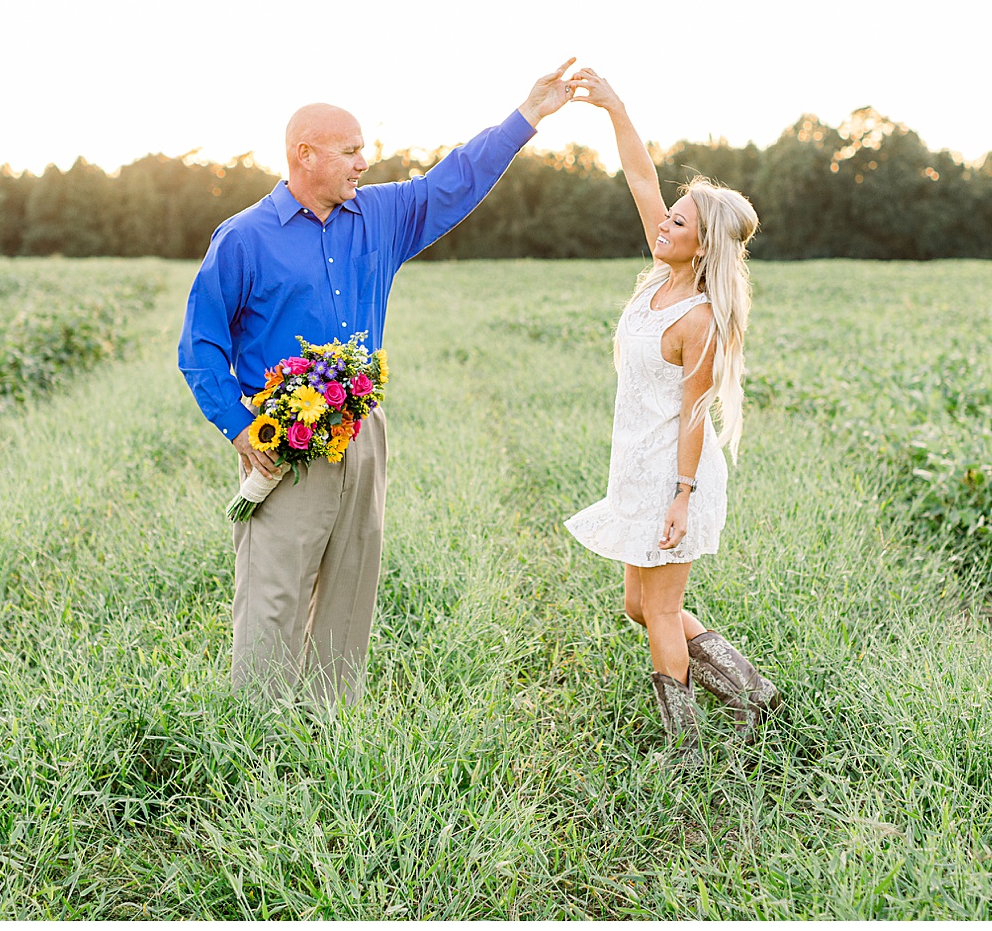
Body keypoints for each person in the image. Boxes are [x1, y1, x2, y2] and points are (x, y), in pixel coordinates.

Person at [179, 60, 583, 705]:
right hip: (283, 439)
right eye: (350, 151)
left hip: (364, 430)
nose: (363, 162)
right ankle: (257, 737)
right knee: (273, 592)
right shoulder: (243, 238)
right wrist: (239, 427)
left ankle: (328, 730)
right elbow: (200, 347)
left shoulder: (381, 216)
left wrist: (528, 114)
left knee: (351, 584)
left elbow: (456, 179)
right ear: (303, 155)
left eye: (364, 149)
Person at [564, 67, 780, 766]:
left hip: (674, 476)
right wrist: (616, 108)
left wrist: (682, 498)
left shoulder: (700, 319)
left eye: (679, 220)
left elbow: (694, 415)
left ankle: (684, 749)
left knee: (658, 609)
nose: (664, 221)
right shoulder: (659, 275)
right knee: (638, 603)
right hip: (636, 464)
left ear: (702, 243)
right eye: (669, 214)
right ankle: (750, 688)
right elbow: (638, 176)